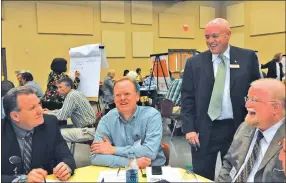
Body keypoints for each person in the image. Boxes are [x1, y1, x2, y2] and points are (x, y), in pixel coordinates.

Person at [181, 18, 261, 180]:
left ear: (228, 34)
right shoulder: (194, 63)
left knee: (237, 174)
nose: (210, 41)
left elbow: (257, 94)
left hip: (237, 128)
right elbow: (187, 98)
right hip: (203, 130)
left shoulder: (247, 57)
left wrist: (256, 124)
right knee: (201, 174)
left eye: (215, 36)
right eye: (207, 37)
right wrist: (189, 128)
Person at [2, 87, 76, 183]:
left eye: (39, 104)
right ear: (15, 116)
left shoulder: (50, 123)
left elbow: (66, 155)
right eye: (32, 108)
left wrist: (66, 166)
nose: (40, 110)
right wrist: (21, 180)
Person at [217, 78, 285, 182]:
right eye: (247, 98)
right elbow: (229, 163)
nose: (247, 105)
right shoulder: (246, 126)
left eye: (254, 100)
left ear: (275, 107)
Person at [90, 77, 166, 168]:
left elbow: (150, 152)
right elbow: (95, 157)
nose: (122, 98)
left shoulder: (152, 116)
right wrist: (131, 163)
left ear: (137, 96)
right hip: (121, 171)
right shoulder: (107, 120)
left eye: (127, 94)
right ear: (114, 98)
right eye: (118, 95)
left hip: (152, 170)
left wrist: (114, 150)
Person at [43, 77, 96, 142]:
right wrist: (50, 111)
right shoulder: (74, 93)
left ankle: (63, 152)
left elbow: (62, 116)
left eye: (60, 87)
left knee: (53, 134)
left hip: (87, 132)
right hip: (87, 128)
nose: (58, 90)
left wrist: (47, 113)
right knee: (57, 129)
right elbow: (63, 111)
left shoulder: (71, 96)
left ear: (68, 87)